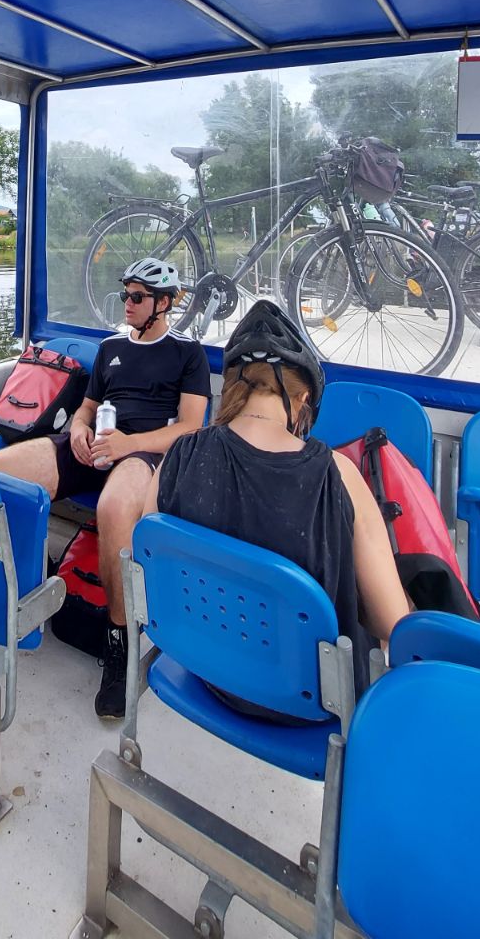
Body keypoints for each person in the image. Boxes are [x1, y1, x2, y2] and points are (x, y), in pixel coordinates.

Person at [146, 299, 410, 711]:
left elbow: (150, 560)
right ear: (302, 398)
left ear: (232, 386)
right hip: (313, 703)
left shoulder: (178, 456)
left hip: (205, 669)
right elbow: (391, 623)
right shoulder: (337, 475)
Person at [0, 257, 210, 719]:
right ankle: (39, 577)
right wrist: (83, 430)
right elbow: (86, 409)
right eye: (125, 295)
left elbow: (189, 428)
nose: (127, 303)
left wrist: (129, 444)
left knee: (112, 511)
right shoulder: (109, 348)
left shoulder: (188, 355)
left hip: (148, 454)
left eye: (137, 297)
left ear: (164, 304)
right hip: (94, 447)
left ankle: (119, 641)